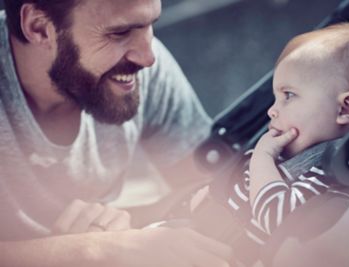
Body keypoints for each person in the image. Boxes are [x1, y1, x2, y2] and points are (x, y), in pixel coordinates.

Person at [0, 0, 233, 266]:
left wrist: (127, 227)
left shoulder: (141, 73)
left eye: (149, 25)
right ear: (40, 28)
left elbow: (210, 186)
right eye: (119, 33)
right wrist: (87, 251)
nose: (148, 57)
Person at [225, 22, 349, 239]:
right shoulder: (286, 151)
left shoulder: (326, 175)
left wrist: (262, 157)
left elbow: (279, 221)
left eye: (288, 95)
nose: (271, 111)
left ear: (345, 108)